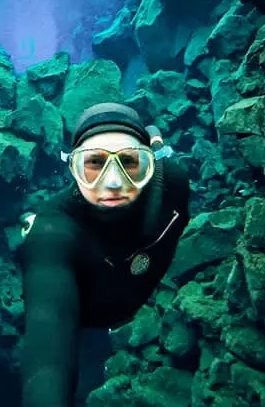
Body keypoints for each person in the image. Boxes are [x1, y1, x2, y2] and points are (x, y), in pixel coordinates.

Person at [20, 103, 191, 406]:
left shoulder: (173, 184)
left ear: (149, 164)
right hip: (85, 319)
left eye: (129, 161)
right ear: (74, 169)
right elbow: (47, 363)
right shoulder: (52, 234)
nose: (113, 182)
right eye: (95, 163)